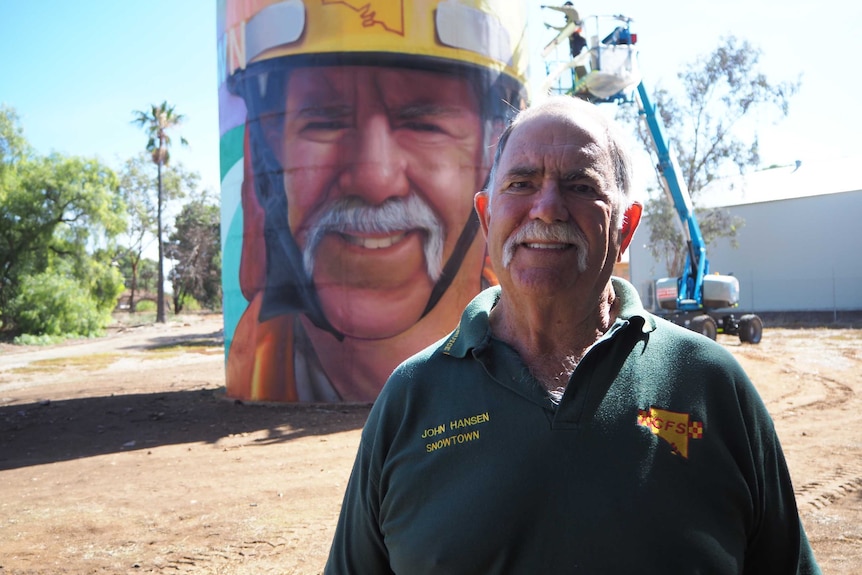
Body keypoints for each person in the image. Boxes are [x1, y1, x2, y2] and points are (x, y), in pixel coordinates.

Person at [324, 96, 821, 573]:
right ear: (485, 215)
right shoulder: (411, 398)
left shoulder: (711, 385)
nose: (547, 208)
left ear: (625, 228)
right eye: (520, 183)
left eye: (580, 186)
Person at [221, 0, 528, 402]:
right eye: (325, 121)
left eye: (424, 123)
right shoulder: (257, 363)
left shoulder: (528, 371)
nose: (374, 181)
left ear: (490, 154)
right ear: (270, 151)